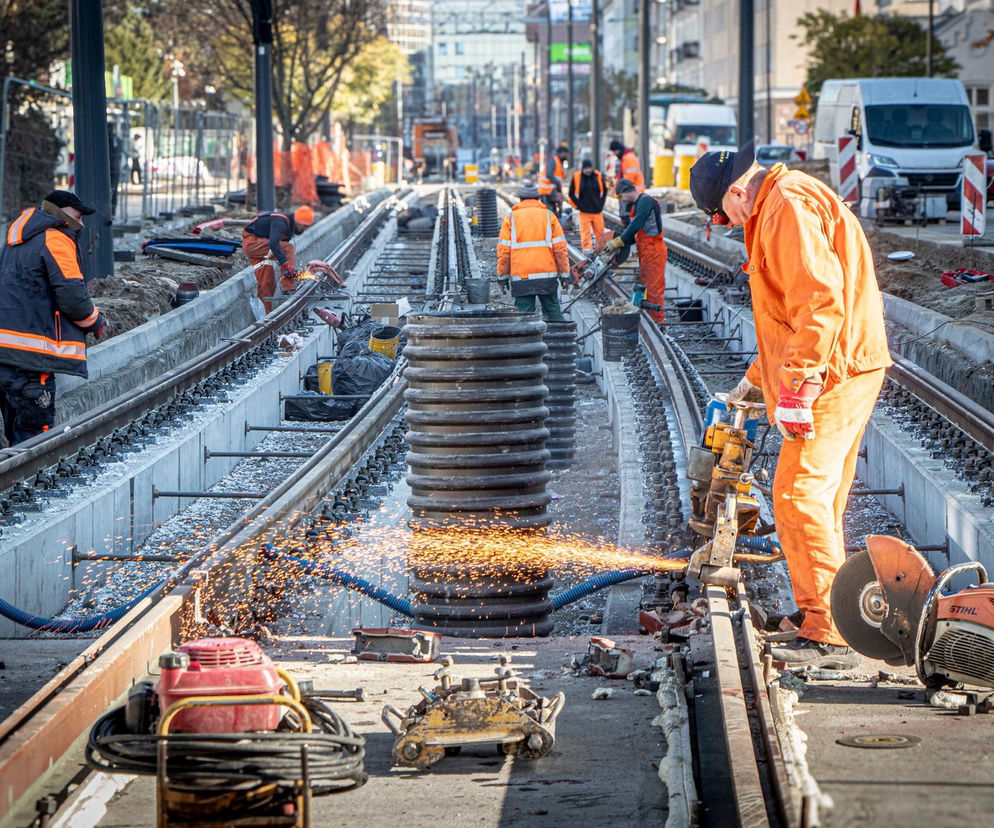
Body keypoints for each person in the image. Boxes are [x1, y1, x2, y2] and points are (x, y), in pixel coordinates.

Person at [689, 140, 892, 669]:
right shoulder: (778, 204)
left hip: (831, 372)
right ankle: (830, 613)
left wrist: (798, 385)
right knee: (819, 499)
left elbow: (818, 304)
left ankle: (829, 630)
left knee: (798, 495)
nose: (725, 224)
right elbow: (785, 318)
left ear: (737, 192)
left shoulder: (785, 208)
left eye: (720, 215)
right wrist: (755, 381)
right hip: (838, 365)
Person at [0, 191, 106, 446]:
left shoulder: (17, 239)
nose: (81, 224)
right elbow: (73, 296)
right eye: (78, 216)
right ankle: (33, 472)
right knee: (35, 434)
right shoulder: (55, 238)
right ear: (60, 212)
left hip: (5, 351)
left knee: (14, 428)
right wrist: (95, 321)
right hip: (32, 357)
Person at [497, 181, 569, 322]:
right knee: (553, 313)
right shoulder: (549, 216)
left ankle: (527, 336)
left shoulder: (511, 218)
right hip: (547, 277)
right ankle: (562, 334)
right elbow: (560, 249)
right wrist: (564, 275)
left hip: (521, 278)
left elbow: (504, 251)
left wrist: (502, 277)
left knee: (524, 319)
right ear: (538, 198)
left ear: (520, 199)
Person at [605, 179, 667, 325]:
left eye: (621, 197)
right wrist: (621, 243)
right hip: (647, 253)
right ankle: (650, 321)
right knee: (646, 288)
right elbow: (636, 234)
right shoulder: (640, 203)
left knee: (653, 291)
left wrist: (619, 241)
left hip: (654, 252)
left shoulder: (645, 201)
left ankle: (658, 324)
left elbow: (635, 225)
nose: (622, 201)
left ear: (626, 192)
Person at [241, 205, 315, 313]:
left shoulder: (288, 227)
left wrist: (286, 266)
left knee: (267, 280)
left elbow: (277, 249)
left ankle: (266, 313)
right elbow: (274, 244)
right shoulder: (281, 222)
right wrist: (288, 266)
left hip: (260, 245)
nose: (304, 229)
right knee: (288, 248)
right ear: (298, 221)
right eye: (304, 226)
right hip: (253, 243)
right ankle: (287, 286)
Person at [568, 159, 608, 253]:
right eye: (586, 168)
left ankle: (601, 250)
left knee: (600, 233)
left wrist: (601, 204)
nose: (588, 170)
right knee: (585, 233)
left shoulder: (598, 175)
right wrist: (578, 206)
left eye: (589, 168)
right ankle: (587, 252)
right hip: (584, 211)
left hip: (597, 211)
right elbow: (571, 193)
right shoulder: (577, 176)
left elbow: (604, 190)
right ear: (582, 169)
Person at [538, 143, 569, 215]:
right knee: (548, 212)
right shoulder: (553, 161)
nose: (566, 156)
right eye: (565, 154)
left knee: (552, 211)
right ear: (562, 153)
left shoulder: (558, 162)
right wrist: (558, 183)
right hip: (546, 192)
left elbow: (559, 176)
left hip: (551, 191)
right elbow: (549, 175)